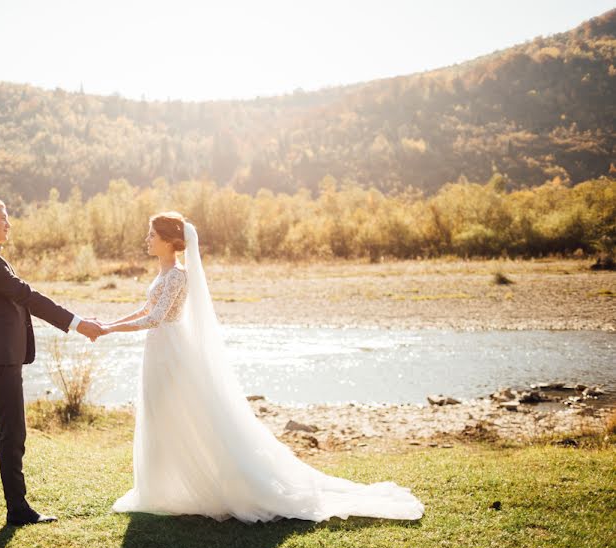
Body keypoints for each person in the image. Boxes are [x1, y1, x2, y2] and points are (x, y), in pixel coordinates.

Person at [101, 211, 425, 523]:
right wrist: (107, 324)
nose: (146, 239)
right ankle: (160, 489)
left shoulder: (178, 276)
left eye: (152, 235)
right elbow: (146, 308)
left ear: (170, 241)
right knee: (159, 413)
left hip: (171, 351)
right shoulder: (162, 273)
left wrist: (110, 330)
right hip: (158, 350)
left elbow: (156, 318)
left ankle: (193, 487)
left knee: (180, 413)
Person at [0, 196, 104, 527]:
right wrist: (77, 323)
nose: (9, 223)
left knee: (4, 429)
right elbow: (27, 296)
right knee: (13, 432)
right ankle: (17, 509)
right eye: (3, 217)